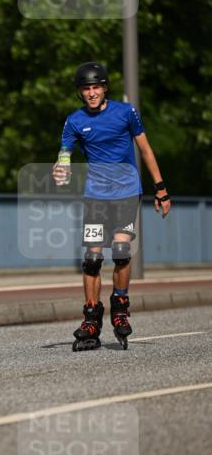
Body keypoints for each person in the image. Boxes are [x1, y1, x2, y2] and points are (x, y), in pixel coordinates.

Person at [52, 61, 171, 351]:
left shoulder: (126, 112)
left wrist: (160, 188)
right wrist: (61, 167)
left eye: (96, 87)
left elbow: (145, 149)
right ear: (80, 92)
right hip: (96, 197)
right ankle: (91, 318)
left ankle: (120, 307)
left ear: (105, 88)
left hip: (127, 193)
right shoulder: (74, 121)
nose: (91, 93)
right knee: (92, 259)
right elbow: (65, 153)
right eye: (86, 89)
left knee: (120, 251)